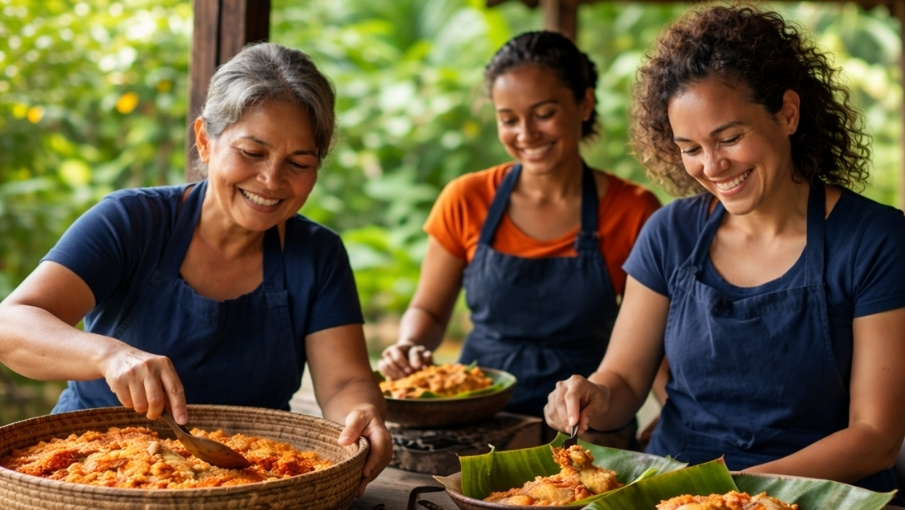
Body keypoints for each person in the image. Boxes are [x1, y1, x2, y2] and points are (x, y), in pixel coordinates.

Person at [543, 4, 905, 498]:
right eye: (690, 148)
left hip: (819, 496)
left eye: (730, 138)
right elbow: (625, 381)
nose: (712, 167)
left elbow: (876, 438)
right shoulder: (669, 232)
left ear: (788, 113)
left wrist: (729, 492)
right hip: (676, 494)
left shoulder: (874, 239)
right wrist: (591, 395)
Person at [0, 42, 392, 496]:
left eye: (298, 163)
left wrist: (360, 417)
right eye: (252, 152)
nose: (270, 180)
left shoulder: (318, 253)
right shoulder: (130, 222)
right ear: (205, 140)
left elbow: (345, 381)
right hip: (85, 477)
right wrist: (109, 355)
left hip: (254, 485)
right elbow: (11, 325)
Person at [377, 30, 661, 447]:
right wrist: (409, 345)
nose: (525, 133)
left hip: (587, 426)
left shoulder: (634, 211)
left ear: (584, 103)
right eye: (508, 119)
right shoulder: (466, 198)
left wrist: (673, 411)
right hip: (478, 420)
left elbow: (657, 339)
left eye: (543, 113)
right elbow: (430, 311)